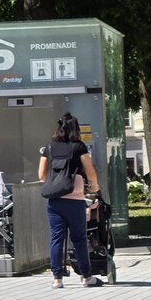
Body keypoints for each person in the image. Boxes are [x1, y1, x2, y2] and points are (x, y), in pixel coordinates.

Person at [37, 113, 103, 288]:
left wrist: (56, 184)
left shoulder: (49, 148)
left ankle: (57, 279)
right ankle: (87, 277)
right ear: (76, 129)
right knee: (79, 239)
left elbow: (41, 174)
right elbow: (90, 172)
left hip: (54, 201)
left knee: (56, 239)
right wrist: (94, 188)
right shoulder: (79, 147)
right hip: (75, 201)